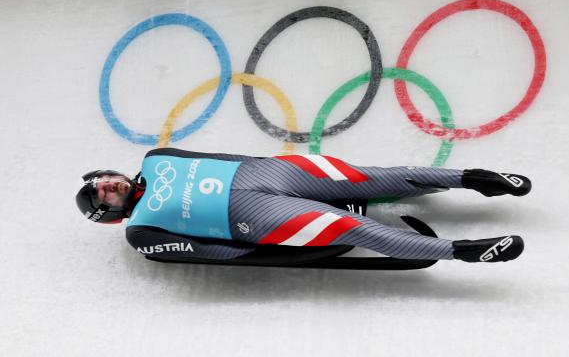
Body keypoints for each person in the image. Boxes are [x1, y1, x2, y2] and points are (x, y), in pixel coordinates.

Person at [76, 148, 531, 265]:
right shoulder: (141, 233)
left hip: (266, 174)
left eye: (102, 180)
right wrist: (270, 253)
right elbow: (207, 252)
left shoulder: (156, 158)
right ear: (109, 212)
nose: (109, 184)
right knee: (350, 227)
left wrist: (270, 164)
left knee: (368, 176)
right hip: (253, 220)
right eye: (103, 194)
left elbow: (220, 158)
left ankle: (474, 179)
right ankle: (465, 250)